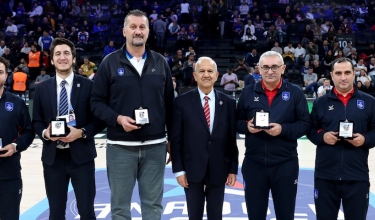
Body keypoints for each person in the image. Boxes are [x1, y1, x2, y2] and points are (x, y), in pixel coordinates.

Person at [90, 10, 174, 220]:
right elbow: (96, 102)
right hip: (120, 147)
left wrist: (172, 139)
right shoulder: (109, 62)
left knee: (153, 206)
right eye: (133, 27)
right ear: (124, 31)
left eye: (142, 27)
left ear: (148, 32)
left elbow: (170, 106)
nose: (138, 31)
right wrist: (117, 119)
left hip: (155, 146)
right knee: (119, 208)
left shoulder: (160, 62)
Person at [32, 38, 105, 220]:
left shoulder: (89, 86)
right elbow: (36, 121)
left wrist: (81, 132)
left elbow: (99, 120)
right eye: (58, 54)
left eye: (66, 53)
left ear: (73, 58)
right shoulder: (42, 89)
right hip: (53, 159)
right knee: (56, 213)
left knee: (87, 211)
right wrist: (45, 133)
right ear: (52, 59)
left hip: (82, 158)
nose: (62, 57)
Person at [237, 51, 311, 219]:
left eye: (274, 67)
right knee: (255, 215)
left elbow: (305, 124)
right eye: (266, 67)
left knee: (285, 215)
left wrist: (282, 130)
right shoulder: (248, 92)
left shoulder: (295, 92)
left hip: (285, 164)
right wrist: (247, 127)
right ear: (259, 69)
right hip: (254, 163)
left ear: (283, 69)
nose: (270, 71)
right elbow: (235, 122)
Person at [307, 57, 375, 220]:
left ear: (354, 74)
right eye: (338, 73)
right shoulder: (321, 103)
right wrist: (323, 136)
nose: (343, 77)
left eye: (347, 73)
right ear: (331, 75)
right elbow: (310, 130)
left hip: (357, 176)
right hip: (325, 176)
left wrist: (364, 140)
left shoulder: (369, 102)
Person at [171, 56, 238, 220]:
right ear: (195, 76)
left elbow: (231, 139)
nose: (206, 75)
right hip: (191, 168)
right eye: (201, 71)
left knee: (216, 215)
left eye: (210, 71)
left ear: (216, 76)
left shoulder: (228, 103)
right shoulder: (181, 102)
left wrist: (232, 169)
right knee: (194, 215)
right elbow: (176, 139)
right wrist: (179, 170)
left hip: (219, 167)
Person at [0, 57, 34, 220]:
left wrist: (15, 146)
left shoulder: (17, 102)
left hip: (9, 173)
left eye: (0, 72)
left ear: (6, 76)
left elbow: (28, 132)